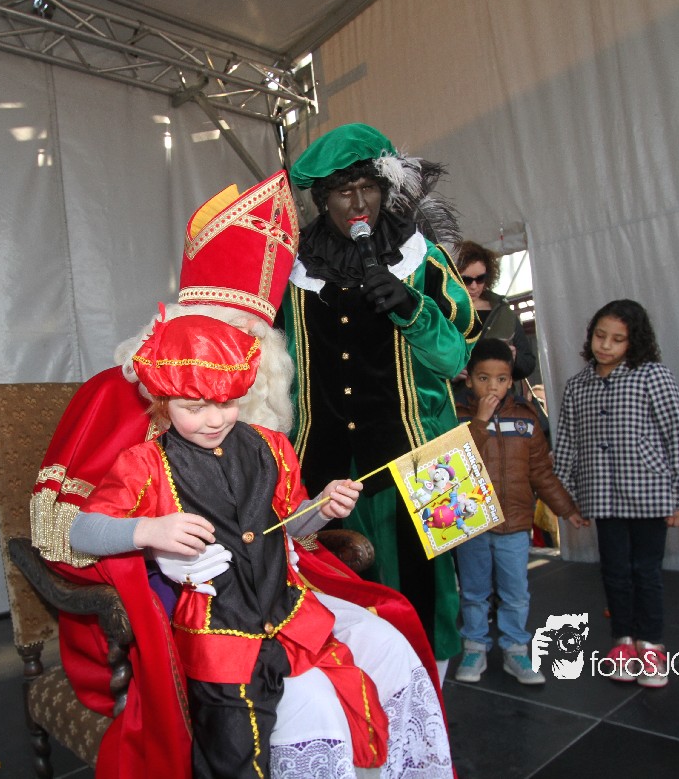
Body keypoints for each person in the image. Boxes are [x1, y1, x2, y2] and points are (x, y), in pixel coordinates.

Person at [30, 171, 452, 777]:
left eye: (239, 357)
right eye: (196, 390)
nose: (214, 407)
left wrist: (315, 513)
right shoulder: (118, 407)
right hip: (176, 606)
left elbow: (283, 518)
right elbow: (65, 529)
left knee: (387, 644)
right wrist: (156, 553)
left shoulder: (263, 439)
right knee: (296, 705)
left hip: (275, 586)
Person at [70, 313, 453, 778]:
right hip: (218, 633)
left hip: (288, 610)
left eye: (227, 402)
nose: (215, 419)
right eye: (194, 407)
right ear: (161, 402)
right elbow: (81, 531)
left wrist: (322, 508)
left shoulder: (270, 446)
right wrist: (149, 533)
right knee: (239, 746)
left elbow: (293, 525)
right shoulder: (144, 464)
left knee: (364, 670)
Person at [281, 123, 481, 675]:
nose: (359, 203)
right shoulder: (291, 273)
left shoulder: (424, 259)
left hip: (429, 456)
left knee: (432, 591)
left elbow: (455, 360)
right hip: (324, 464)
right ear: (321, 200)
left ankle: (433, 696)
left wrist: (413, 310)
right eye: (344, 192)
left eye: (368, 188)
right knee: (339, 589)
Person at [554, 299, 679, 688]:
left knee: (645, 572)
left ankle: (651, 645)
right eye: (600, 336)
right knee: (614, 572)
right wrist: (565, 499)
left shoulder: (652, 376)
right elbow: (566, 444)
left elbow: (678, 434)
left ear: (634, 342)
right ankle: (623, 641)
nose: (606, 345)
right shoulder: (577, 386)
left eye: (617, 339)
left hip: (650, 492)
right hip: (601, 495)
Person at [452, 338, 585, 685]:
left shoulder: (526, 419)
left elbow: (541, 472)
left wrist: (566, 508)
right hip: (472, 524)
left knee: (515, 592)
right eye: (483, 378)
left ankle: (515, 649)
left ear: (510, 381)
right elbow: (454, 465)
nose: (492, 387)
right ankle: (474, 647)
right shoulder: (458, 416)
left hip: (515, 524)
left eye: (500, 379)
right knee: (474, 592)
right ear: (469, 380)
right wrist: (480, 422)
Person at [454, 240, 537, 380]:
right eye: (466, 280)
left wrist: (514, 358)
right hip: (457, 393)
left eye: (480, 279)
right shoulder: (441, 312)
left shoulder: (502, 310)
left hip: (499, 392)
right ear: (453, 278)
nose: (474, 286)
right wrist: (447, 376)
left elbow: (528, 364)